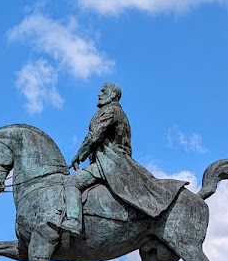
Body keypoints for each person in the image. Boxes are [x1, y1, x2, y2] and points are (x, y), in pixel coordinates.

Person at [57, 82, 187, 239]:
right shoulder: (117, 112)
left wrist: (80, 154)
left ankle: (73, 221)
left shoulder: (110, 111)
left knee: (71, 183)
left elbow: (94, 135)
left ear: (113, 95)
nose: (99, 94)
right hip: (113, 161)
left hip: (109, 162)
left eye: (103, 91)